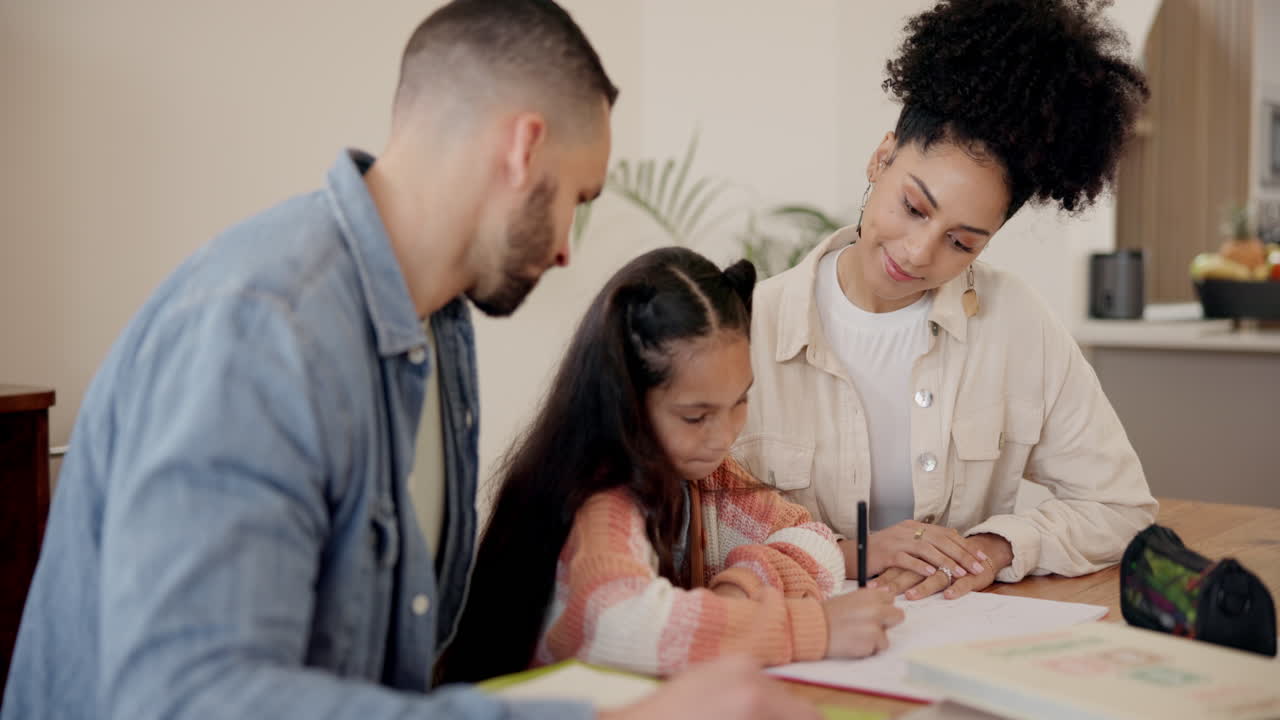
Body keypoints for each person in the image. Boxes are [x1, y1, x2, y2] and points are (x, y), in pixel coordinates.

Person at [2, 2, 821, 719]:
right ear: (522, 148)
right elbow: (195, 698)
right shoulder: (263, 330)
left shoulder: (439, 334)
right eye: (576, 197)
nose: (572, 250)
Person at [735, 0, 1159, 603]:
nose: (916, 253)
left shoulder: (1016, 325)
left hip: (955, 642)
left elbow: (1120, 506)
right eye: (913, 207)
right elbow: (687, 534)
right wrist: (851, 555)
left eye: (961, 242)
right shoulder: (748, 327)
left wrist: (994, 548)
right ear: (882, 158)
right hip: (794, 648)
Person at [440, 248, 902, 684]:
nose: (724, 437)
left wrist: (742, 589)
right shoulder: (601, 496)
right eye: (695, 416)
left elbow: (812, 538)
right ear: (626, 400)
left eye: (739, 401)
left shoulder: (706, 475)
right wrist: (813, 628)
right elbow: (620, 621)